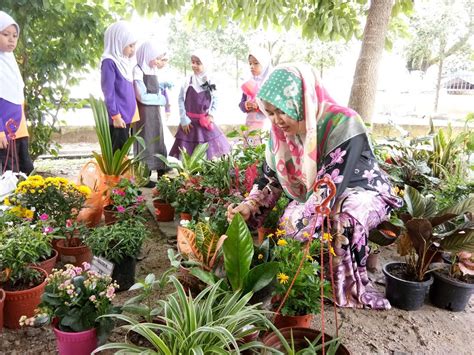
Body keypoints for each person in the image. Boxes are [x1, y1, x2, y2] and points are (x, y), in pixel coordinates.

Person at [227, 63, 402, 310]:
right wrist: (249, 205)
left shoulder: (343, 122)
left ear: (301, 101)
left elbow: (330, 185)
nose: (277, 120)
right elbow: (269, 178)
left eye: (282, 111)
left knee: (340, 218)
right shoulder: (280, 134)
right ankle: (309, 281)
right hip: (320, 193)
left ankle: (343, 286)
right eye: (270, 113)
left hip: (363, 190)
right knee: (293, 223)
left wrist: (300, 222)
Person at [169, 49, 231, 160]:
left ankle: (203, 176)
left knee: (206, 153)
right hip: (188, 124)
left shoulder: (210, 81)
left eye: (198, 63)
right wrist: (183, 118)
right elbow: (180, 99)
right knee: (187, 153)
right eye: (193, 62)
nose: (194, 65)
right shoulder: (187, 81)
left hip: (204, 124)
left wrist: (211, 115)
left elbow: (215, 99)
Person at [0, 11, 34, 175]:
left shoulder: (9, 61)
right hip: (3, 133)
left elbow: (15, 96)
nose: (11, 39)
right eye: (5, 34)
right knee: (8, 174)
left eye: (15, 35)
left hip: (18, 129)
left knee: (25, 171)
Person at [132, 41, 168, 182]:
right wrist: (161, 99)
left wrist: (160, 99)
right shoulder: (138, 70)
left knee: (158, 137)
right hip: (143, 114)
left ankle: (160, 168)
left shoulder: (152, 70)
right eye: (156, 58)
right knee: (145, 139)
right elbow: (142, 97)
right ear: (147, 55)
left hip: (155, 113)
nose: (158, 61)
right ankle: (144, 174)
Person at [100, 20, 139, 152]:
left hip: (127, 116)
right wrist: (115, 116)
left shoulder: (124, 62)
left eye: (134, 46)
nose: (132, 50)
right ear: (118, 42)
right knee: (118, 153)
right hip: (118, 118)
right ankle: (116, 174)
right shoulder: (109, 62)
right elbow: (108, 92)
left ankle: (123, 174)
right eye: (130, 46)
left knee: (124, 153)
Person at [239, 47, 272, 133]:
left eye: (256, 63)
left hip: (266, 126)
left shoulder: (270, 84)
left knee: (263, 145)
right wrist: (246, 105)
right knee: (250, 145)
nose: (252, 66)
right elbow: (241, 104)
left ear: (264, 64)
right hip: (250, 125)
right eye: (250, 63)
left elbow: (275, 108)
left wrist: (259, 106)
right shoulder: (248, 83)